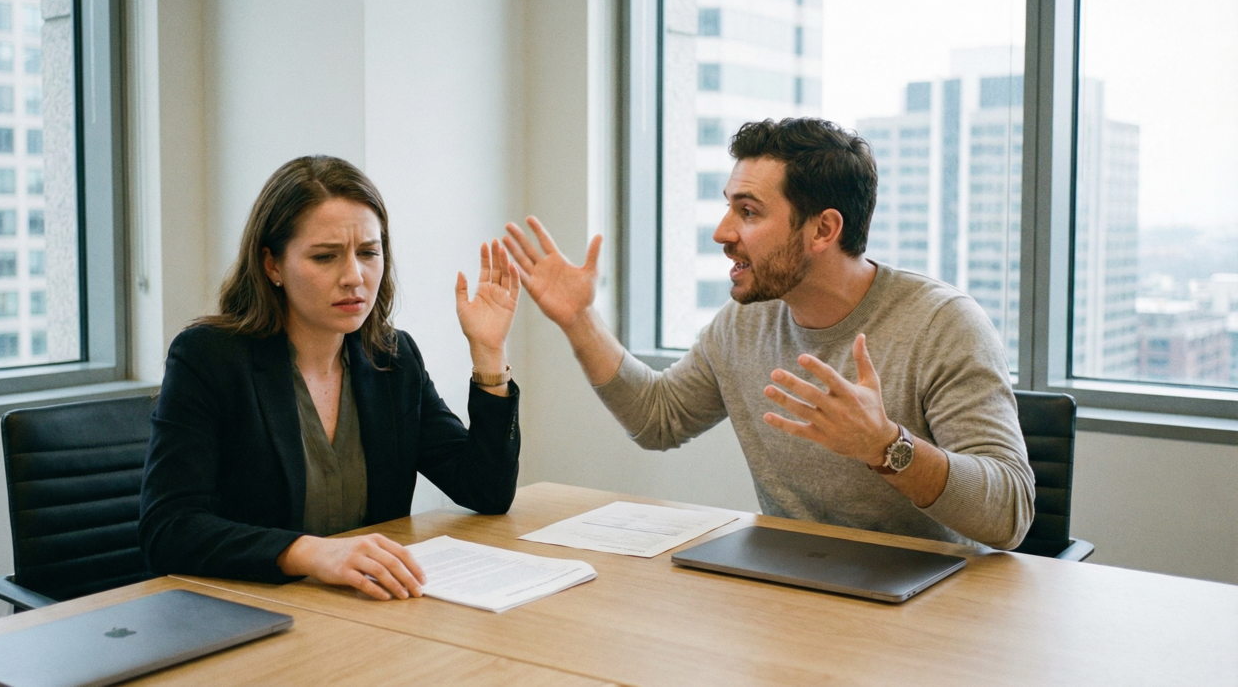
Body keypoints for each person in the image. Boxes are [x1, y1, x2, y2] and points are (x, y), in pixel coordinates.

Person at [504, 117, 1034, 550]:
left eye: (748, 211)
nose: (722, 232)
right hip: (797, 587)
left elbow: (1009, 514)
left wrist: (886, 446)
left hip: (938, 607)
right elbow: (657, 419)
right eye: (729, 205)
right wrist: (579, 321)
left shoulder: (943, 324)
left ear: (823, 230)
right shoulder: (747, 319)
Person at [140, 155, 522, 601]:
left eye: (368, 253)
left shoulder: (394, 359)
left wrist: (489, 355)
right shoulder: (209, 358)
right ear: (272, 265)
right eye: (325, 257)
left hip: (359, 611)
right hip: (249, 610)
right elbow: (168, 529)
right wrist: (311, 554)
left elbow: (485, 489)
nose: (353, 277)